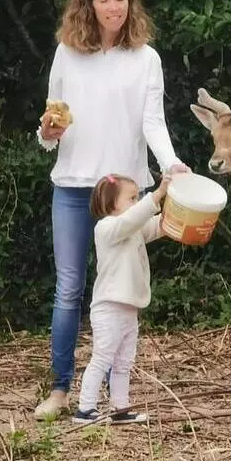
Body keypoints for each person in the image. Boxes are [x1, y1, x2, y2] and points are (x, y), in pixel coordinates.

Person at [34, 0, 190, 419]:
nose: (114, 7)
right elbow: (53, 119)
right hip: (73, 185)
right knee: (69, 289)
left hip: (124, 193)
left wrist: (171, 165)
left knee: (120, 290)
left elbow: (153, 122)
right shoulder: (67, 52)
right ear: (89, 3)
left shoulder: (147, 58)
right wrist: (47, 133)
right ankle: (60, 390)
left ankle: (113, 395)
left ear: (129, 2)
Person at [72, 172, 170, 424]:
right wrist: (157, 194)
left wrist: (177, 210)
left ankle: (120, 408)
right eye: (132, 198)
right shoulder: (107, 228)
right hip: (108, 308)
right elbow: (134, 219)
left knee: (124, 361)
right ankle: (85, 408)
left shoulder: (132, 229)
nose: (137, 202)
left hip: (129, 309)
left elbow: (157, 226)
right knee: (102, 358)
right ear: (112, 203)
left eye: (138, 198)